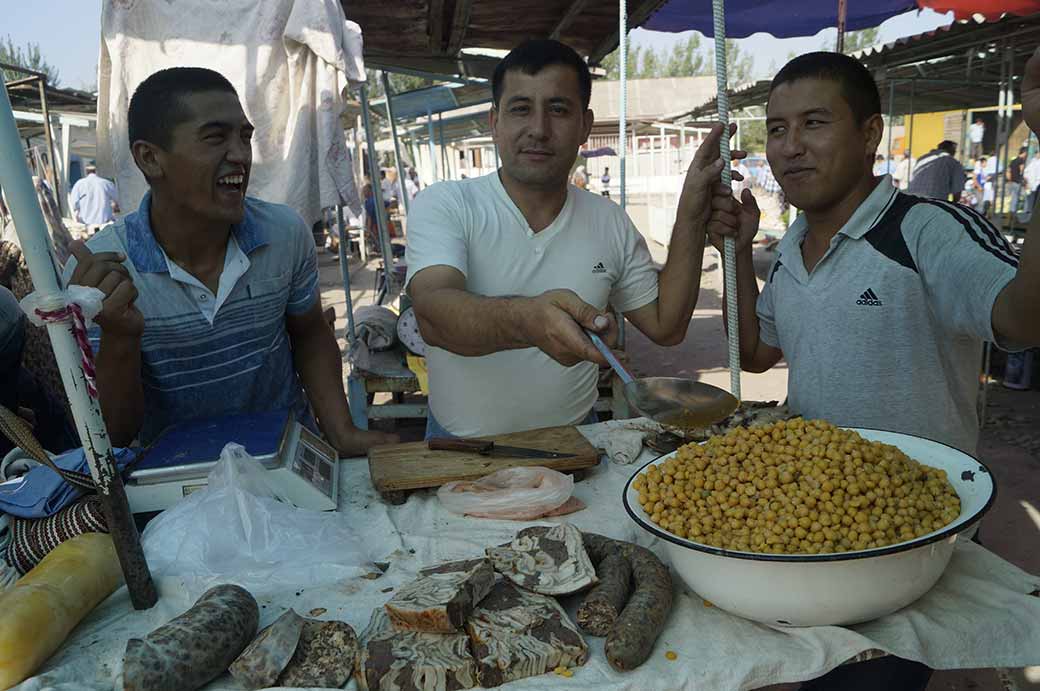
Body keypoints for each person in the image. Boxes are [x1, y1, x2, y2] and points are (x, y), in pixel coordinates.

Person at [706, 51, 1040, 691]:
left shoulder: (926, 232)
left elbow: (1026, 320)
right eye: (777, 129)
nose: (790, 147)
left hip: (913, 532)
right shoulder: (790, 249)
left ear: (869, 134)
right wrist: (738, 251)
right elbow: (754, 353)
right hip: (810, 522)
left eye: (814, 123)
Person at [405, 39, 729, 439]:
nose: (539, 130)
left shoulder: (609, 220)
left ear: (585, 126)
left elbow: (667, 325)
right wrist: (530, 321)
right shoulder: (447, 203)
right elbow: (433, 316)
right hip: (458, 448)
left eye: (558, 110)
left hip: (578, 445)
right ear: (494, 123)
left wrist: (691, 213)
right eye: (520, 109)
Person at [62, 67, 394, 455]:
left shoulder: (285, 234)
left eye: (245, 137)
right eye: (215, 138)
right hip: (175, 482)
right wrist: (120, 337)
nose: (240, 155)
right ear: (150, 158)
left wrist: (341, 431)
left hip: (289, 463)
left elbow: (309, 334)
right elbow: (113, 436)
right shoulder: (102, 278)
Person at [69, 163, 120, 232]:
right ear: (96, 171)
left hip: (87, 226)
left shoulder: (79, 184)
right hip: (104, 226)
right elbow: (118, 199)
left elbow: (74, 205)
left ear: (86, 171)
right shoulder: (106, 183)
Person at [1007, 146, 1028, 219]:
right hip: (1018, 182)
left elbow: (1008, 172)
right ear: (1024, 152)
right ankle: (1025, 213)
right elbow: (1022, 172)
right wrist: (1025, 182)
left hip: (1012, 182)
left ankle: (1012, 213)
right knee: (1026, 197)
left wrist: (1010, 180)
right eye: (1026, 153)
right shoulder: (1021, 161)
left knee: (1014, 198)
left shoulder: (1013, 160)